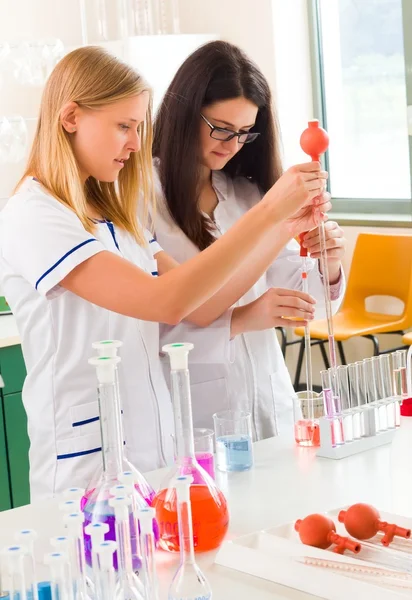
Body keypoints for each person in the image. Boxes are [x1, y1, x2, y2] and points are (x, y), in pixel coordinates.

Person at [0, 46, 328, 500]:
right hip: (85, 465)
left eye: (139, 128)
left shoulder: (116, 216)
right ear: (71, 116)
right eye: (123, 126)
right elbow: (165, 301)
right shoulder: (33, 214)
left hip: (155, 451)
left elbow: (201, 304)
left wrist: (281, 226)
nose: (135, 144)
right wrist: (269, 211)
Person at [153, 41, 346, 439]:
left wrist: (327, 264)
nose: (231, 145)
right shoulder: (142, 197)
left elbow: (303, 292)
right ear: (184, 113)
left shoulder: (246, 191)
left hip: (268, 397)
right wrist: (241, 320)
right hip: (195, 412)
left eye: (244, 133)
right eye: (220, 128)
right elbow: (158, 321)